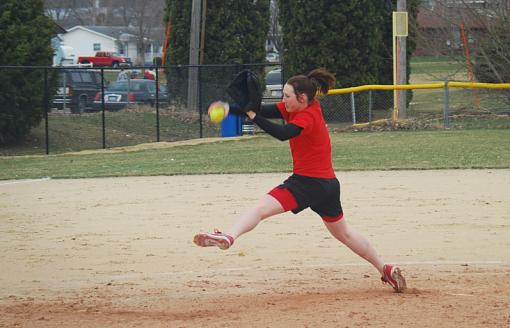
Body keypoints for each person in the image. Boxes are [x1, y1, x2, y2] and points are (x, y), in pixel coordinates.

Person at [193, 68, 406, 293]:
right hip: (328, 186)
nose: (283, 100)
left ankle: (229, 235)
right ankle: (385, 269)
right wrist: (230, 110)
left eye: (286, 96)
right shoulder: (302, 106)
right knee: (344, 234)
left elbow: (283, 133)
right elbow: (261, 109)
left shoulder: (308, 116)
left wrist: (253, 116)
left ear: (301, 98)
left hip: (307, 183)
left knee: (260, 209)